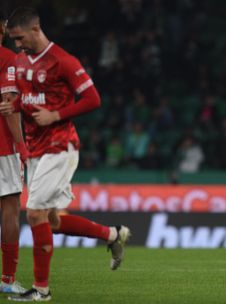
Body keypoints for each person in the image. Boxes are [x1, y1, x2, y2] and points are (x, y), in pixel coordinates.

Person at [0, 7, 131, 301]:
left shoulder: (63, 61)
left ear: (35, 29)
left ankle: (41, 290)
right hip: (35, 149)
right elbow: (29, 99)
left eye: (19, 38)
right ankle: (112, 234)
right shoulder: (20, 62)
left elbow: (93, 99)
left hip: (60, 146)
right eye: (13, 40)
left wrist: (57, 114)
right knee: (52, 222)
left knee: (33, 214)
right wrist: (15, 107)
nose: (16, 44)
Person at [0, 11, 28, 295]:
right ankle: (7, 279)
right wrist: (21, 144)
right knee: (9, 206)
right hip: (2, 146)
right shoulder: (7, 58)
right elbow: (8, 104)